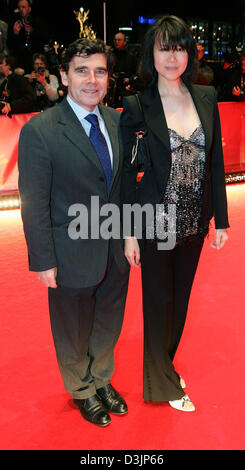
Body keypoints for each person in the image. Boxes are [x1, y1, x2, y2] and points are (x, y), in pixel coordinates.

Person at [18, 38, 129, 427]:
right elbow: (34, 202)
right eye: (82, 70)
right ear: (63, 76)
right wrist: (43, 260)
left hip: (116, 249)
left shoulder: (117, 120)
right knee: (72, 326)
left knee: (108, 321)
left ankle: (101, 378)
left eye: (100, 71)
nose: (92, 80)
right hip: (69, 251)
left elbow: (124, 186)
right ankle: (81, 389)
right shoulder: (41, 130)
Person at [120, 15, 229, 412]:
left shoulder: (206, 96)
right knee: (157, 302)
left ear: (189, 53)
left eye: (179, 47)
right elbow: (128, 177)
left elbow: (215, 161)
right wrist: (129, 233)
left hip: (196, 219)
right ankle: (162, 384)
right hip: (157, 219)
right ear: (151, 54)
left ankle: (163, 364)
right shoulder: (136, 105)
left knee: (179, 303)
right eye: (164, 47)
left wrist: (223, 219)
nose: (172, 56)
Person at [7, 0, 48, 73]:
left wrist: (32, 32)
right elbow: (10, 45)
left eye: (23, 7)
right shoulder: (14, 24)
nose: (21, 9)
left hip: (35, 60)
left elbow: (44, 41)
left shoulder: (37, 22)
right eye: (19, 7)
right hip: (20, 61)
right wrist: (15, 34)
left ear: (29, 9)